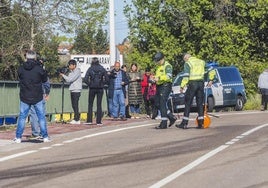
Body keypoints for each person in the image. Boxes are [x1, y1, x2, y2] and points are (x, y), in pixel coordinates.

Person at [13, 50, 50, 143]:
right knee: (41, 116)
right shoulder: (39, 69)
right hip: (37, 96)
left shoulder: (21, 68)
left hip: (24, 96)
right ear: (35, 57)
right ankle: (45, 136)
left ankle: (18, 137)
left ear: (26, 57)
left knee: (22, 117)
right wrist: (47, 92)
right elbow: (45, 81)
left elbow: (20, 78)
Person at [176, 53, 215, 129]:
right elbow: (211, 69)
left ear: (186, 58)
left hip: (192, 84)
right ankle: (201, 123)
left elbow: (186, 76)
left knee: (188, 102)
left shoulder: (188, 63)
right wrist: (211, 79)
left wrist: (182, 86)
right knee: (200, 103)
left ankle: (184, 123)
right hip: (201, 83)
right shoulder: (201, 61)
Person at [153, 52, 177, 129]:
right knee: (157, 104)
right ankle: (171, 117)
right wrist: (154, 79)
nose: (157, 62)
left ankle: (163, 123)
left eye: (158, 60)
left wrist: (159, 78)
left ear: (162, 59)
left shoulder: (168, 66)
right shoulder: (158, 67)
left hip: (166, 85)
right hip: (159, 86)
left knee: (162, 103)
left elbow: (168, 76)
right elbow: (157, 76)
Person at [28, 58, 50, 139]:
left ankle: (35, 133)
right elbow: (47, 84)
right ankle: (43, 133)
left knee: (33, 113)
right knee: (42, 114)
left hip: (32, 94)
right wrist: (47, 93)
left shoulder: (30, 72)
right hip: (41, 94)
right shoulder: (43, 72)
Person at [84, 57, 108, 125]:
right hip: (100, 88)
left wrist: (90, 84)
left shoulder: (90, 69)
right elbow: (107, 79)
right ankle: (98, 121)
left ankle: (89, 120)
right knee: (99, 104)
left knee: (90, 104)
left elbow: (85, 79)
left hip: (92, 88)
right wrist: (102, 83)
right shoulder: (102, 68)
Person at [60, 59, 82, 124]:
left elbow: (70, 79)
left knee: (75, 105)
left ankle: (77, 119)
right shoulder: (71, 72)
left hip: (76, 90)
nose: (69, 66)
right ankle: (76, 118)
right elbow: (68, 80)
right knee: (73, 105)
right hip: (72, 89)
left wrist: (63, 75)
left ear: (74, 65)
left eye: (70, 65)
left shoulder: (77, 71)